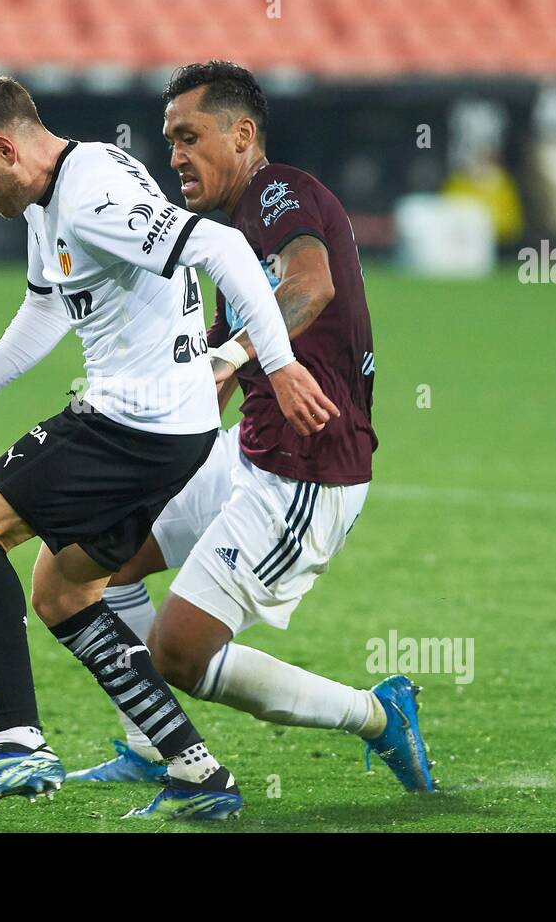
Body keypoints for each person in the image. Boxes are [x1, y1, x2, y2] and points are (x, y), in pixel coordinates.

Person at [0, 74, 339, 820]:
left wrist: (275, 362)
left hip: (130, 425)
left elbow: (217, 246)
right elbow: (48, 303)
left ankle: (18, 742)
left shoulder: (90, 195)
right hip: (162, 432)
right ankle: (197, 770)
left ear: (5, 148)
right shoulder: (55, 198)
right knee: (62, 592)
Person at [67, 61, 436, 794]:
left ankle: (376, 714)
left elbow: (309, 283)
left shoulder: (277, 193)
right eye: (168, 140)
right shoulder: (229, 233)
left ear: (242, 135)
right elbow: (222, 372)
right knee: (96, 559)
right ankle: (153, 744)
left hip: (307, 471)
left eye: (188, 136)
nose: (173, 155)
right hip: (250, 453)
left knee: (180, 651)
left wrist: (232, 355)